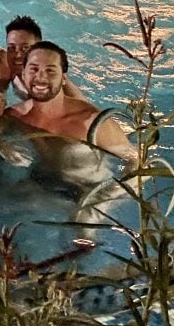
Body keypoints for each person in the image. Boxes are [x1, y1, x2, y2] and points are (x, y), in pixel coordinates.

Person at [7, 41, 136, 223]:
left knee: (82, 225)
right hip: (45, 183)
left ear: (64, 78)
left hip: (91, 189)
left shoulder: (90, 121)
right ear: (23, 73)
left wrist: (98, 202)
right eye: (33, 69)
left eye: (50, 71)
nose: (40, 77)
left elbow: (138, 163)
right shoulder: (15, 116)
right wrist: (1, 146)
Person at [2, 15, 89, 101]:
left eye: (25, 48)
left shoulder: (55, 84)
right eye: (12, 48)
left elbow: (85, 108)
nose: (17, 55)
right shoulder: (7, 69)